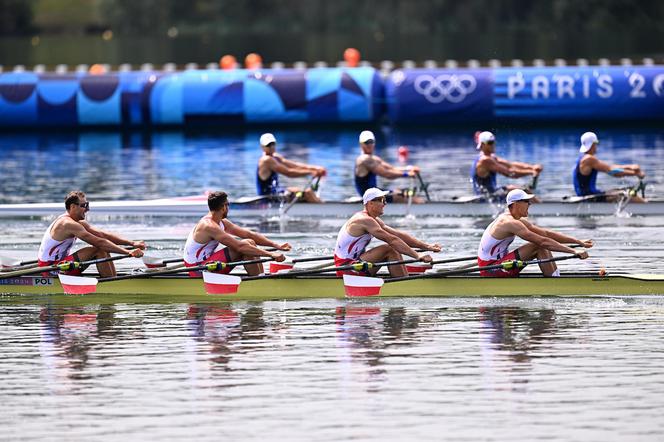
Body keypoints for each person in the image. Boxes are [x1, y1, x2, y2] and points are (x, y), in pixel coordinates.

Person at [477, 189, 592, 277]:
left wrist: (578, 242)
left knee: (540, 244)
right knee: (538, 245)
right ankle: (554, 283)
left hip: (500, 263)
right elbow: (542, 241)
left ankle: (555, 278)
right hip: (491, 269)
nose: (530, 204)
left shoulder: (516, 219)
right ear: (516, 204)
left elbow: (545, 234)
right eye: (526, 201)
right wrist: (573, 251)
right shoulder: (509, 222)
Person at [334, 187, 441, 277]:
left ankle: (404, 279)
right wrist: (417, 256)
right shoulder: (364, 220)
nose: (385, 204)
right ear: (370, 203)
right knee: (389, 248)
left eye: (385, 200)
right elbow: (392, 240)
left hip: (356, 264)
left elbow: (397, 235)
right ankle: (405, 284)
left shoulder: (373, 220)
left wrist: (427, 246)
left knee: (393, 247)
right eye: (382, 200)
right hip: (347, 267)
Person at [37, 191, 145, 277]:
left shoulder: (78, 222)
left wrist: (132, 243)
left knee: (101, 248)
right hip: (50, 269)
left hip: (63, 265)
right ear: (73, 207)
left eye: (87, 205)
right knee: (98, 248)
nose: (87, 209)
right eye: (84, 205)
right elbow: (99, 242)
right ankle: (112, 283)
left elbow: (102, 235)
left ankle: (112, 279)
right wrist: (128, 252)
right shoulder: (67, 224)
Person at [183, 191, 290, 277]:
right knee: (245, 247)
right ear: (224, 207)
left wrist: (275, 245)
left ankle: (260, 276)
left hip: (208, 264)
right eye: (228, 205)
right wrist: (271, 254)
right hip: (197, 270)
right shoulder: (209, 226)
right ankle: (258, 281)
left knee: (250, 241)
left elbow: (249, 234)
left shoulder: (221, 222)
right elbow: (239, 247)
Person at [573, 131, 647, 202]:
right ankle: (646, 206)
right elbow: (613, 172)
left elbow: (610, 167)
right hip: (589, 196)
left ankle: (643, 204)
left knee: (622, 191)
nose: (596, 147)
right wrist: (635, 173)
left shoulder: (582, 158)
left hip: (587, 194)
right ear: (592, 144)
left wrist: (630, 167)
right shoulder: (589, 159)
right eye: (596, 144)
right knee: (627, 193)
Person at [354, 130, 425, 203]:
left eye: (371, 142)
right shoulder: (364, 159)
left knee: (400, 192)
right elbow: (387, 174)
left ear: (374, 143)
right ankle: (424, 210)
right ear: (361, 144)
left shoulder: (374, 158)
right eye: (366, 142)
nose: (369, 144)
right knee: (404, 196)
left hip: (375, 193)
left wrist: (409, 169)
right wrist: (406, 174)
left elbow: (392, 168)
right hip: (370, 196)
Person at [256, 133, 326, 203]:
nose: (271, 147)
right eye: (268, 145)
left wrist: (316, 168)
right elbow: (289, 172)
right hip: (267, 197)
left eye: (273, 144)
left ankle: (320, 207)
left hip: (276, 192)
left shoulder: (275, 156)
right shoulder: (266, 160)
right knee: (308, 193)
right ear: (262, 147)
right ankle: (325, 211)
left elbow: (294, 165)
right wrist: (311, 172)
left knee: (308, 192)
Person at [472, 131, 543, 200]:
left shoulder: (491, 157)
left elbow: (511, 165)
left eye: (493, 141)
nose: (493, 144)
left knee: (519, 190)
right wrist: (531, 172)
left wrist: (532, 167)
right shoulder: (485, 160)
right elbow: (510, 173)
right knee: (523, 191)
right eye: (490, 142)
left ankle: (537, 208)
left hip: (493, 191)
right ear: (482, 145)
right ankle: (540, 209)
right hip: (487, 196)